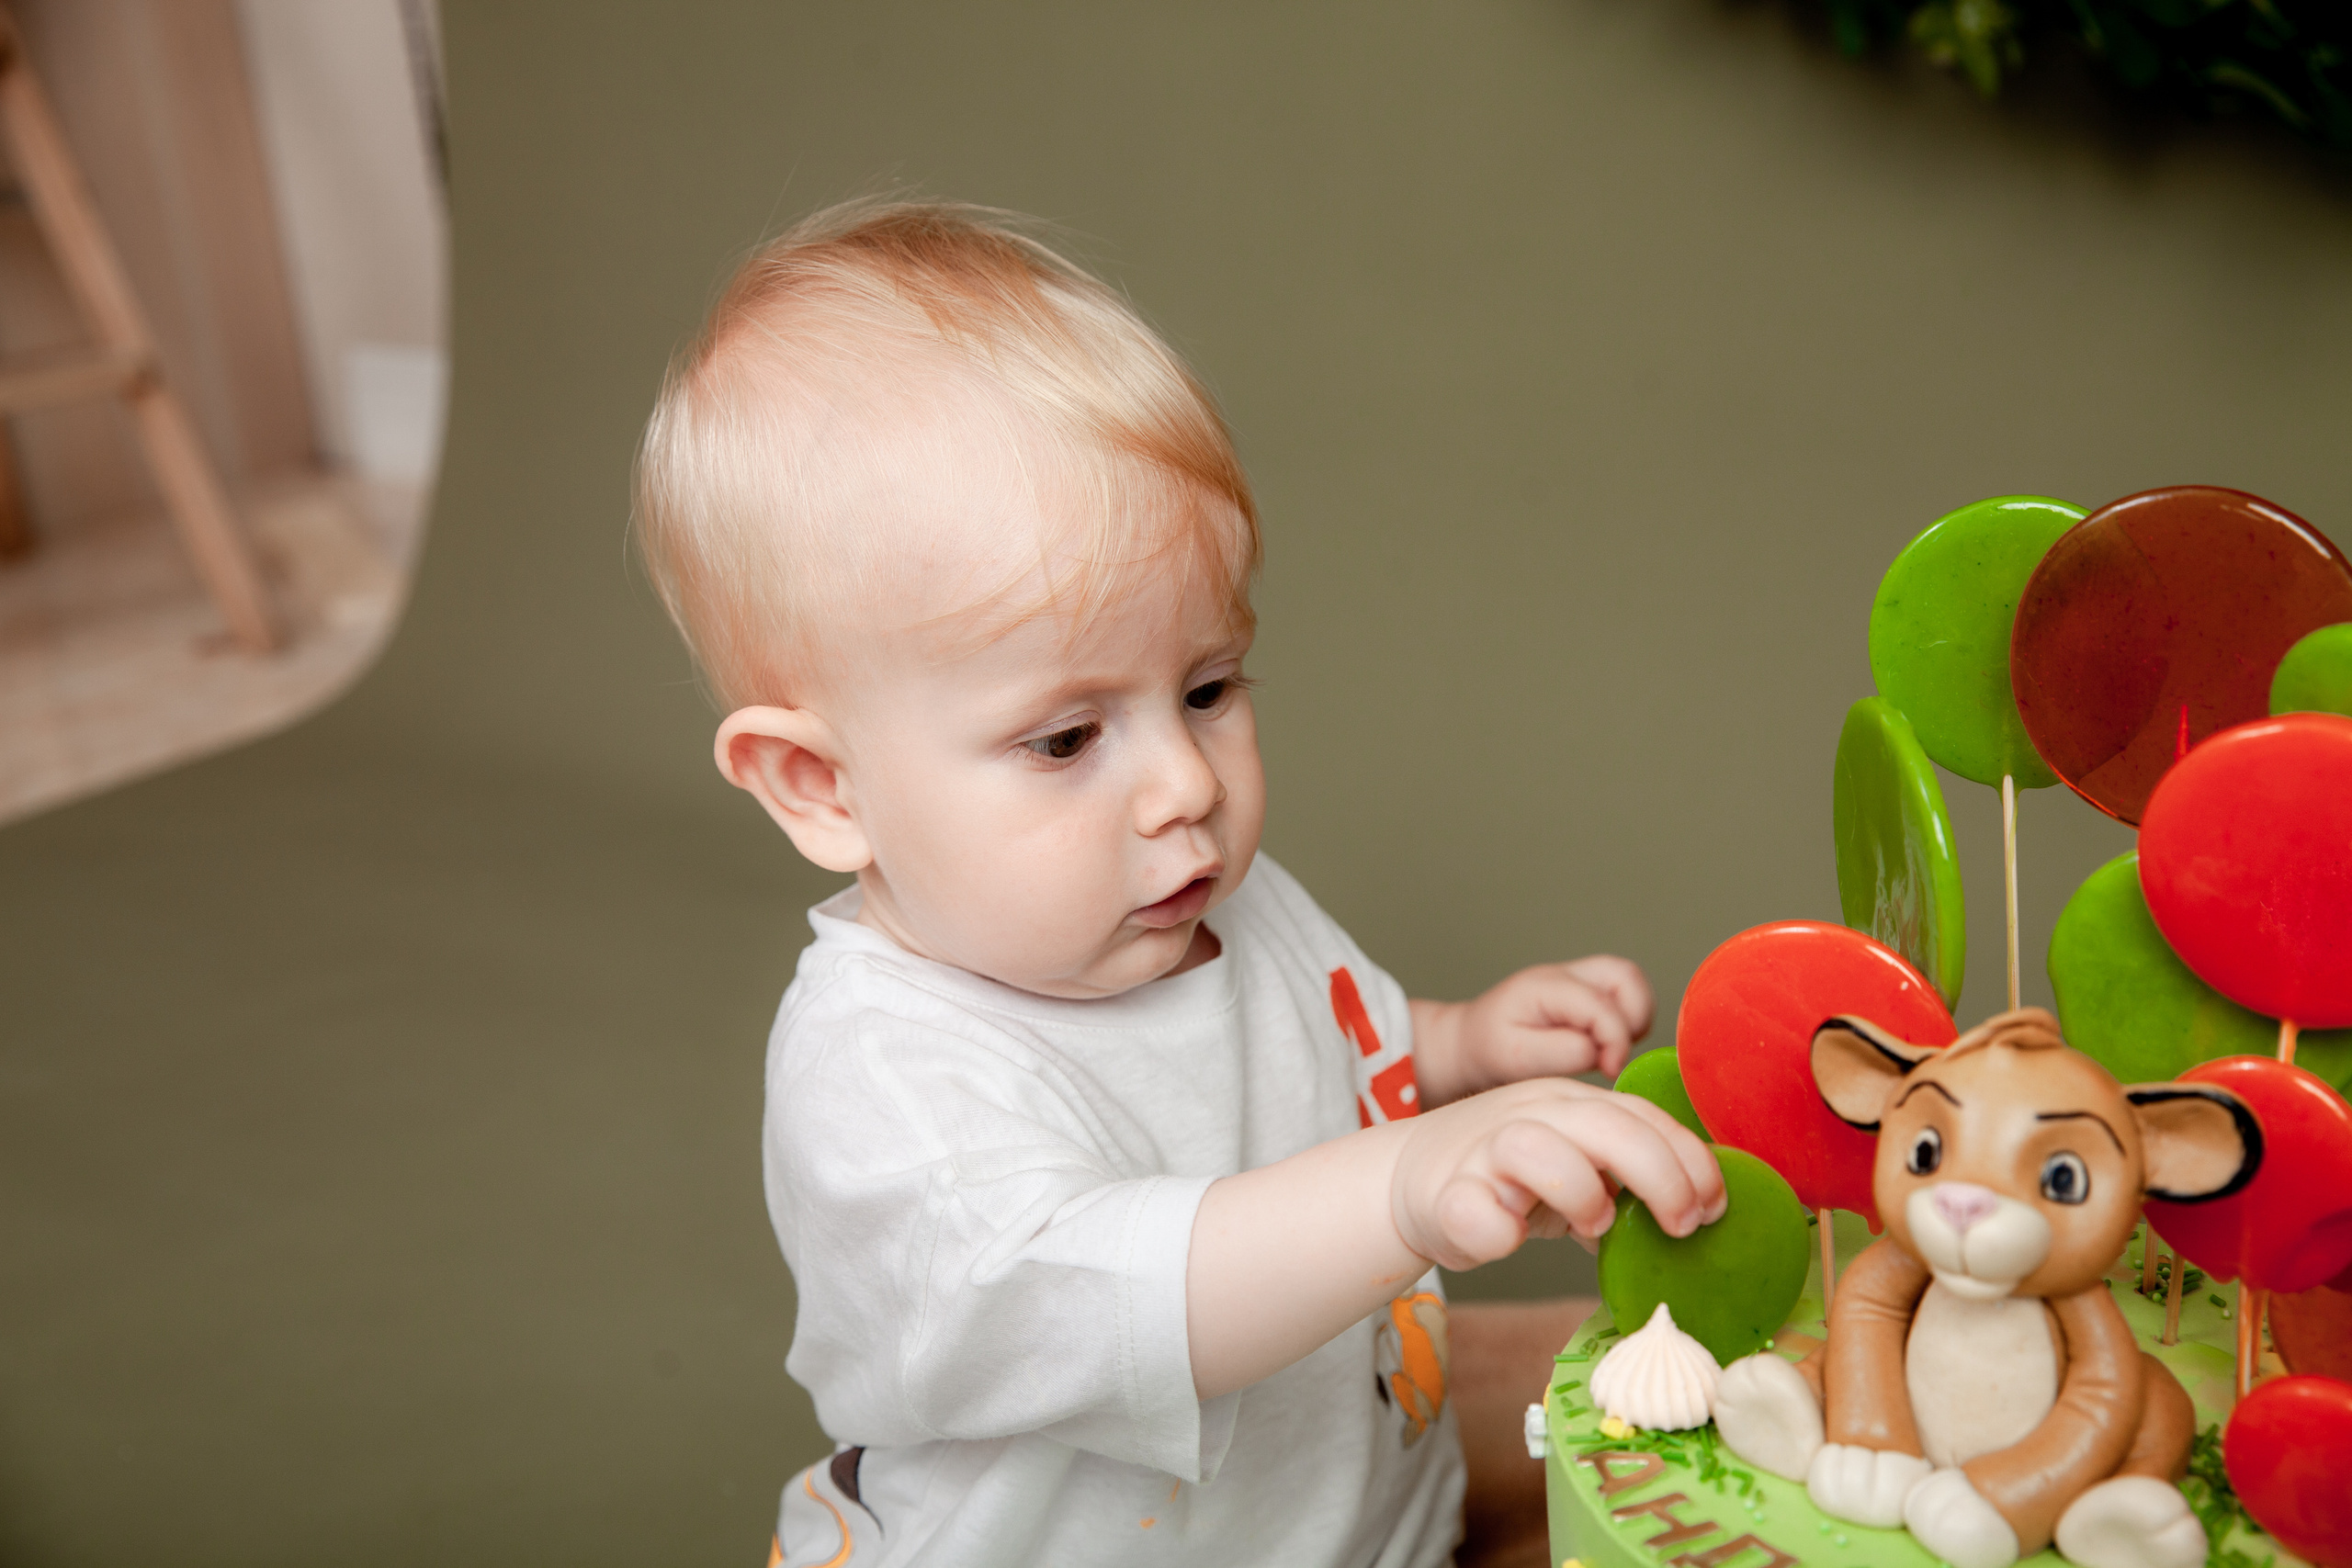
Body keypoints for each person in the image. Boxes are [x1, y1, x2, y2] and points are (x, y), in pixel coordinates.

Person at [635, 197, 1724, 1568]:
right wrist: (1407, 1185)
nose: (1185, 785)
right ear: (825, 789)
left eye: (1206, 688)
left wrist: (1462, 1051)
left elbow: (1329, 1049)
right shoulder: (891, 1085)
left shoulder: (1186, 894)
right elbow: (1139, 1297)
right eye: (1069, 737)